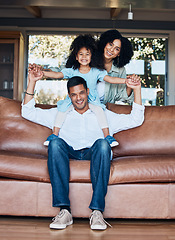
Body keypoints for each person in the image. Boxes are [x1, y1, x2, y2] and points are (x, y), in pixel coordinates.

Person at [22, 70, 145, 231]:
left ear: (87, 92)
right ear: (69, 96)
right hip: (69, 151)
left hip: (94, 153)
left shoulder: (104, 114)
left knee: (103, 144)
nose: (78, 98)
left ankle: (97, 212)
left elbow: (136, 119)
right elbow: (27, 112)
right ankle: (64, 211)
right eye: (74, 95)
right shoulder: (60, 113)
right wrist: (32, 82)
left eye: (81, 93)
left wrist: (136, 89)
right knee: (55, 143)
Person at [29, 34, 138, 148]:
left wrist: (127, 80)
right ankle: (54, 135)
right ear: (76, 57)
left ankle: (107, 137)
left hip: (92, 101)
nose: (84, 57)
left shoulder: (97, 71)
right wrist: (42, 73)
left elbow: (110, 79)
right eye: (81, 54)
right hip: (74, 101)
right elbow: (57, 74)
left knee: (100, 112)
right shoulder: (72, 70)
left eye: (87, 54)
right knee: (62, 111)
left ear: (92, 56)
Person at [96, 29, 135, 105]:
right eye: (110, 44)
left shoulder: (120, 70)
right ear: (105, 43)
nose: (111, 50)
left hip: (107, 109)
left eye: (117, 49)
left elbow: (122, 97)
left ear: (119, 53)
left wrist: (130, 83)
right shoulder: (90, 62)